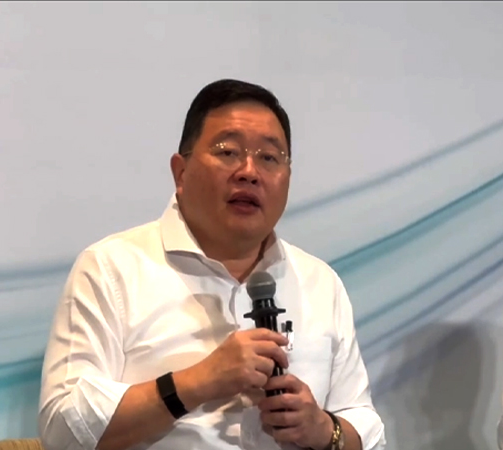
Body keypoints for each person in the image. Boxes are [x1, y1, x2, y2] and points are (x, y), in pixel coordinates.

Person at [38, 79, 386, 450]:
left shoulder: (320, 282)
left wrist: (323, 429)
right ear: (181, 173)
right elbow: (62, 430)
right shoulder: (112, 269)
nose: (249, 171)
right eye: (228, 152)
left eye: (269, 157)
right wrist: (197, 382)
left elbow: (367, 428)